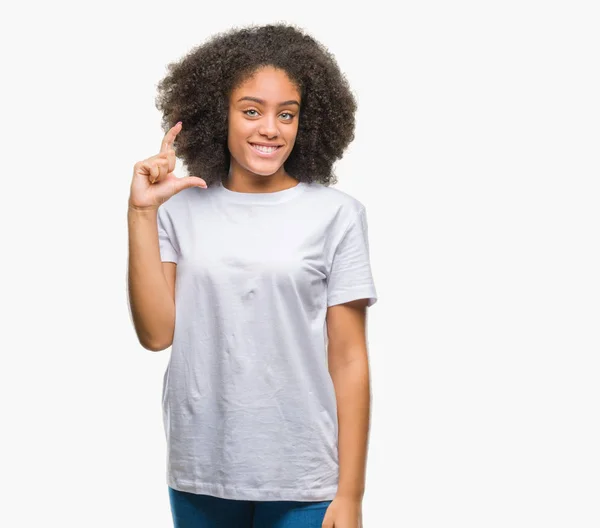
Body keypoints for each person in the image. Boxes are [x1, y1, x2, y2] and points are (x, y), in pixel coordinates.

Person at [127, 23, 378, 528]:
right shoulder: (179, 209)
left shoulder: (337, 214)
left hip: (304, 475)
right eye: (251, 110)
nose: (270, 128)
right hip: (202, 467)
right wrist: (140, 213)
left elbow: (349, 359)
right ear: (218, 113)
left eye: (287, 114)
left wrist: (349, 494)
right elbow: (156, 335)